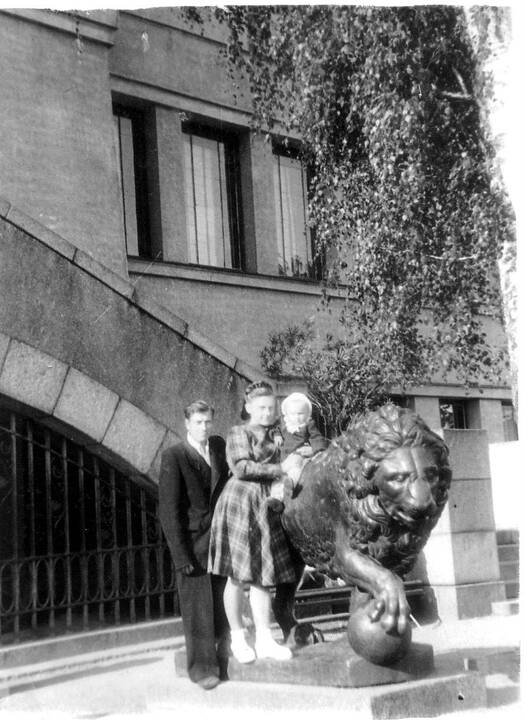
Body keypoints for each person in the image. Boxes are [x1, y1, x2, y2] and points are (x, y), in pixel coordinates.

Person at [208, 381, 297, 664]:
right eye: (261, 408)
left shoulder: (277, 434)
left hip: (266, 504)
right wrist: (279, 468)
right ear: (248, 408)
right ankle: (237, 638)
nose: (267, 412)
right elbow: (241, 467)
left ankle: (264, 638)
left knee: (263, 576)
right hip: (241, 502)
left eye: (271, 408)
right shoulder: (239, 432)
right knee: (237, 576)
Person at [159, 400, 230, 691]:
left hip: (220, 540)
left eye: (207, 422)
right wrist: (180, 554)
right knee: (198, 609)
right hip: (193, 544)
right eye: (198, 422)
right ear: (187, 424)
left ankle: (225, 659)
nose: (204, 427)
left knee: (223, 601)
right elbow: (169, 509)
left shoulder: (218, 449)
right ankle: (202, 670)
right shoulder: (174, 456)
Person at [267, 392, 328, 511]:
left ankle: (291, 484)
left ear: (307, 414)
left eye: (300, 413)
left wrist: (314, 449)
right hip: (284, 459)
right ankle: (276, 499)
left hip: (298, 456)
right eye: (293, 414)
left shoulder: (308, 424)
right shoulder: (285, 424)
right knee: (278, 478)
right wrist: (277, 435)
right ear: (287, 414)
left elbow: (317, 438)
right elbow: (274, 429)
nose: (297, 417)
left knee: (295, 471)